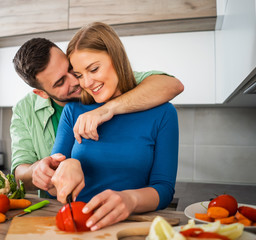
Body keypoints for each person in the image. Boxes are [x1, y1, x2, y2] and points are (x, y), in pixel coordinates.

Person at [11, 35, 183, 198]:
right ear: (41, 93)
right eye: (60, 82)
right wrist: (39, 171)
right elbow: (21, 174)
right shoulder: (30, 110)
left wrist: (107, 109)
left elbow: (171, 85)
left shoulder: (112, 83)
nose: (80, 81)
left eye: (72, 70)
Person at [49, 22, 179, 231]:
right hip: (77, 228)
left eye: (94, 69)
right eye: (80, 75)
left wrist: (130, 200)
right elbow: (54, 187)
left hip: (131, 228)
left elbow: (164, 189)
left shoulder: (163, 113)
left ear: (116, 58)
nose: (88, 82)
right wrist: (67, 165)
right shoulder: (73, 111)